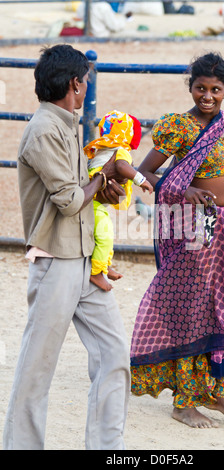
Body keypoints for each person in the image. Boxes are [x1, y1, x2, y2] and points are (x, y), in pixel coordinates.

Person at [3, 45, 130, 450]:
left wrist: (102, 191)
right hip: (56, 263)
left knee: (114, 356)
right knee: (36, 369)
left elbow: (82, 196)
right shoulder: (43, 130)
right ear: (76, 83)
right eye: (86, 80)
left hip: (84, 263)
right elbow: (70, 199)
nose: (86, 85)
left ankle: (107, 449)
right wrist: (103, 175)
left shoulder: (66, 125)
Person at [130, 52, 224, 428]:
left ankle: (216, 389)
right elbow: (144, 172)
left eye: (215, 89)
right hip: (195, 229)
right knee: (195, 309)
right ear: (190, 87)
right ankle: (185, 401)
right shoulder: (179, 126)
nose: (207, 95)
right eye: (200, 88)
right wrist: (184, 188)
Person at [84, 109, 153, 291]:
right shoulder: (120, 150)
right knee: (105, 236)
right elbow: (121, 166)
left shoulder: (102, 148)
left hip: (93, 200)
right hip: (94, 203)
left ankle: (104, 266)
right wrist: (141, 180)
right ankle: (96, 272)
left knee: (105, 233)